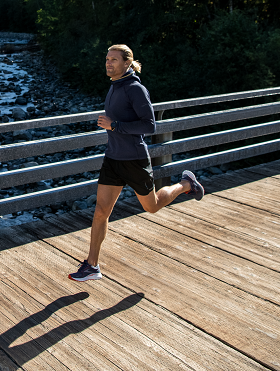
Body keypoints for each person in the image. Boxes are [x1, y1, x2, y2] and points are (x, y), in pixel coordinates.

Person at [68, 44, 204, 282]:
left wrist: (115, 126)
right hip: (113, 159)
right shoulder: (114, 86)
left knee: (151, 206)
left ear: (127, 63)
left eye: (114, 60)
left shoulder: (135, 89)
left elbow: (149, 125)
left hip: (134, 160)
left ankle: (185, 184)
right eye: (107, 59)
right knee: (101, 211)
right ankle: (92, 265)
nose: (108, 63)